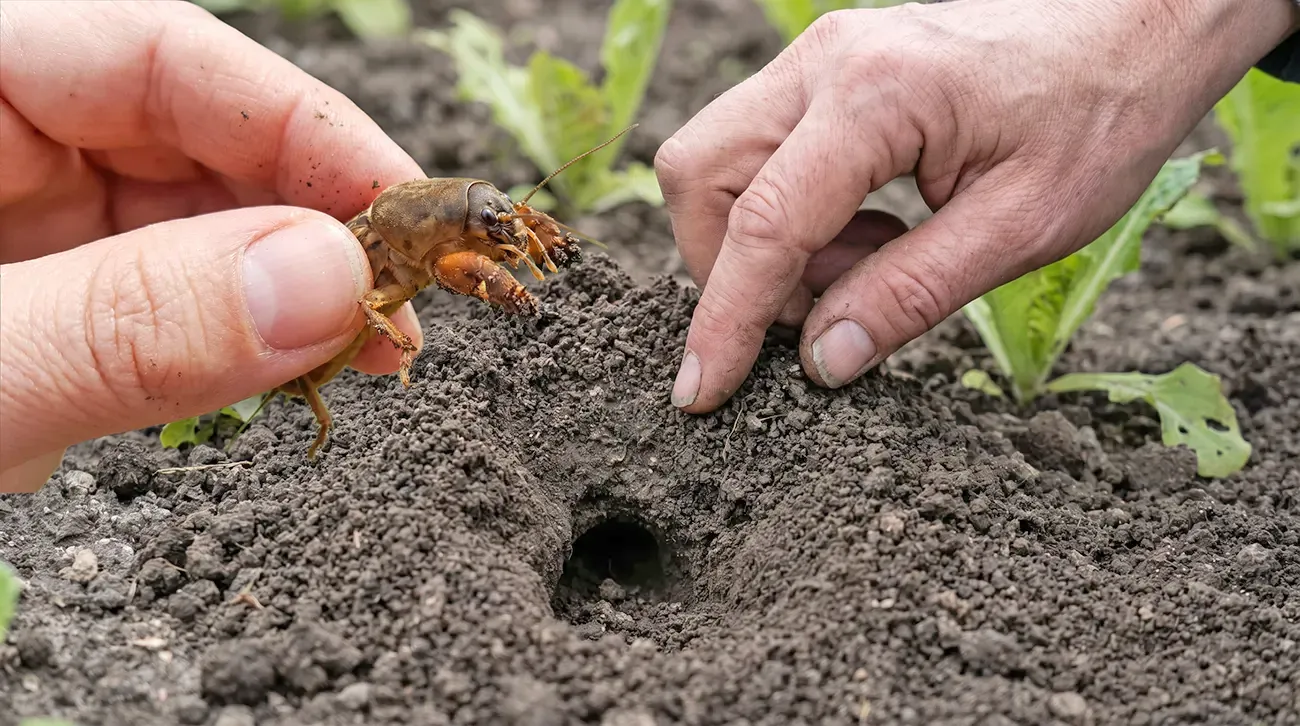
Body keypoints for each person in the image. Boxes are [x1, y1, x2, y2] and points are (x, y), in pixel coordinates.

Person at [0, 0, 1296, 493]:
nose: (510, 240)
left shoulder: (468, 224)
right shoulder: (401, 244)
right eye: (494, 231)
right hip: (339, 298)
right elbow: (440, 258)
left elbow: (482, 234)